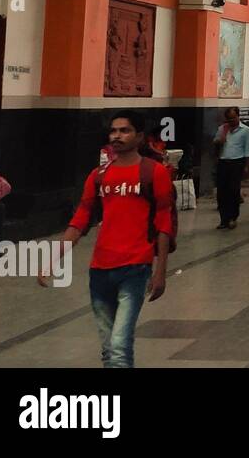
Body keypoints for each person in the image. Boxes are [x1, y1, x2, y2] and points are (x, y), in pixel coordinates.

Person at [41, 110, 174, 368]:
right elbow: (80, 219)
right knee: (108, 347)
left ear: (139, 136)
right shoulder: (98, 176)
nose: (117, 136)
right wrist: (53, 259)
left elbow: (164, 224)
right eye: (114, 131)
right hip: (100, 269)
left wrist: (160, 273)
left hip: (136, 267)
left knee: (119, 345)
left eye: (124, 131)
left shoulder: (154, 173)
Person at [212, 106, 249, 230]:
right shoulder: (222, 129)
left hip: (237, 162)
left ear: (238, 116)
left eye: (233, 118)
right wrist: (219, 141)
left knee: (234, 190)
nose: (231, 121)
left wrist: (247, 167)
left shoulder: (245, 130)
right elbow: (215, 142)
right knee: (222, 192)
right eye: (228, 119)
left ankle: (233, 217)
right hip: (223, 162)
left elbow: (247, 150)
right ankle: (224, 219)